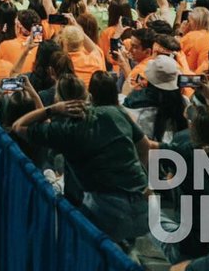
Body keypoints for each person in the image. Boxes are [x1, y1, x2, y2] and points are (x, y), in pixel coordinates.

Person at [11, 73, 149, 249]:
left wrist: (53, 109)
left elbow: (18, 126)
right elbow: (144, 146)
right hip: (144, 206)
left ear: (58, 99)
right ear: (87, 95)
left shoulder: (63, 131)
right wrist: (142, 179)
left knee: (70, 236)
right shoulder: (116, 111)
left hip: (108, 211)